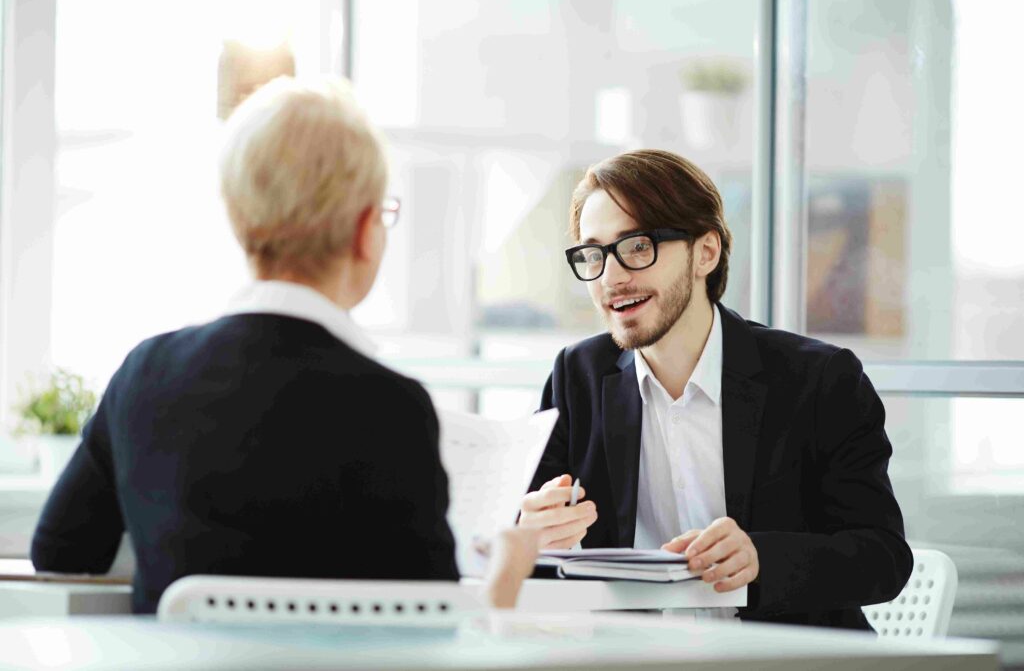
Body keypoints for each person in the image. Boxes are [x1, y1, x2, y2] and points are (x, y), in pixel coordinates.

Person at [31, 76, 537, 613]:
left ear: (238, 218)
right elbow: (431, 628)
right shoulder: (394, 409)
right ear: (368, 229)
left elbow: (61, 550)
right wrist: (507, 570)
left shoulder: (144, 374)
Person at [518, 149, 912, 630]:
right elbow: (534, 565)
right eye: (593, 253)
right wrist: (531, 537)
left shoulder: (820, 378)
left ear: (706, 252)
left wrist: (761, 557)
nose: (611, 277)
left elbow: (883, 557)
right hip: (634, 658)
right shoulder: (576, 375)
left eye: (637, 246)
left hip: (786, 660)